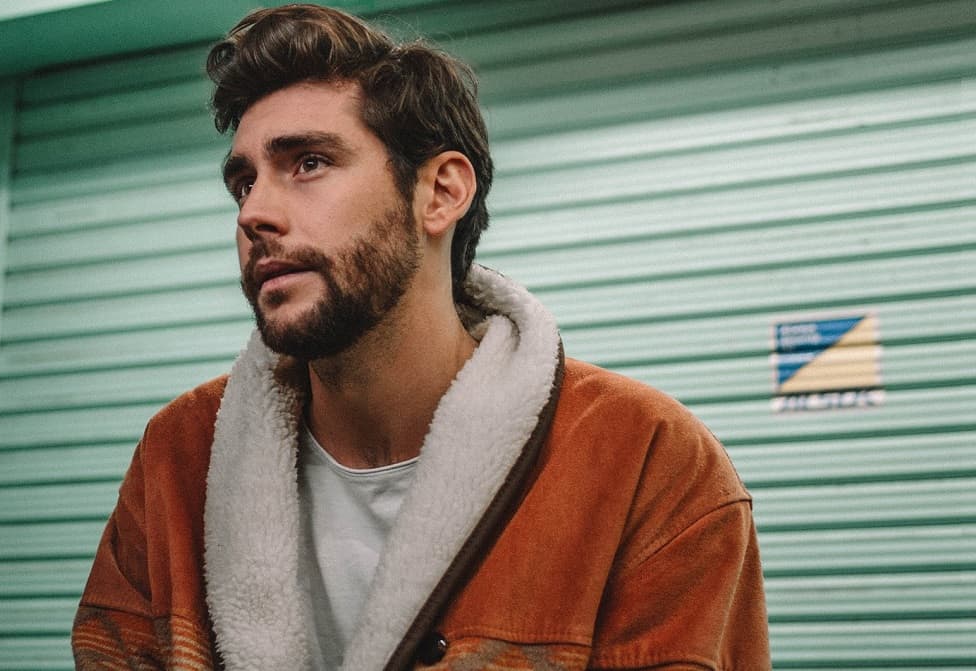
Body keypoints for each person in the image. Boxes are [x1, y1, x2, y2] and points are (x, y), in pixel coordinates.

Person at [72, 4, 770, 670]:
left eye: (308, 162)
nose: (254, 213)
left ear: (439, 193)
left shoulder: (646, 460)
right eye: (243, 183)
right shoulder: (177, 458)